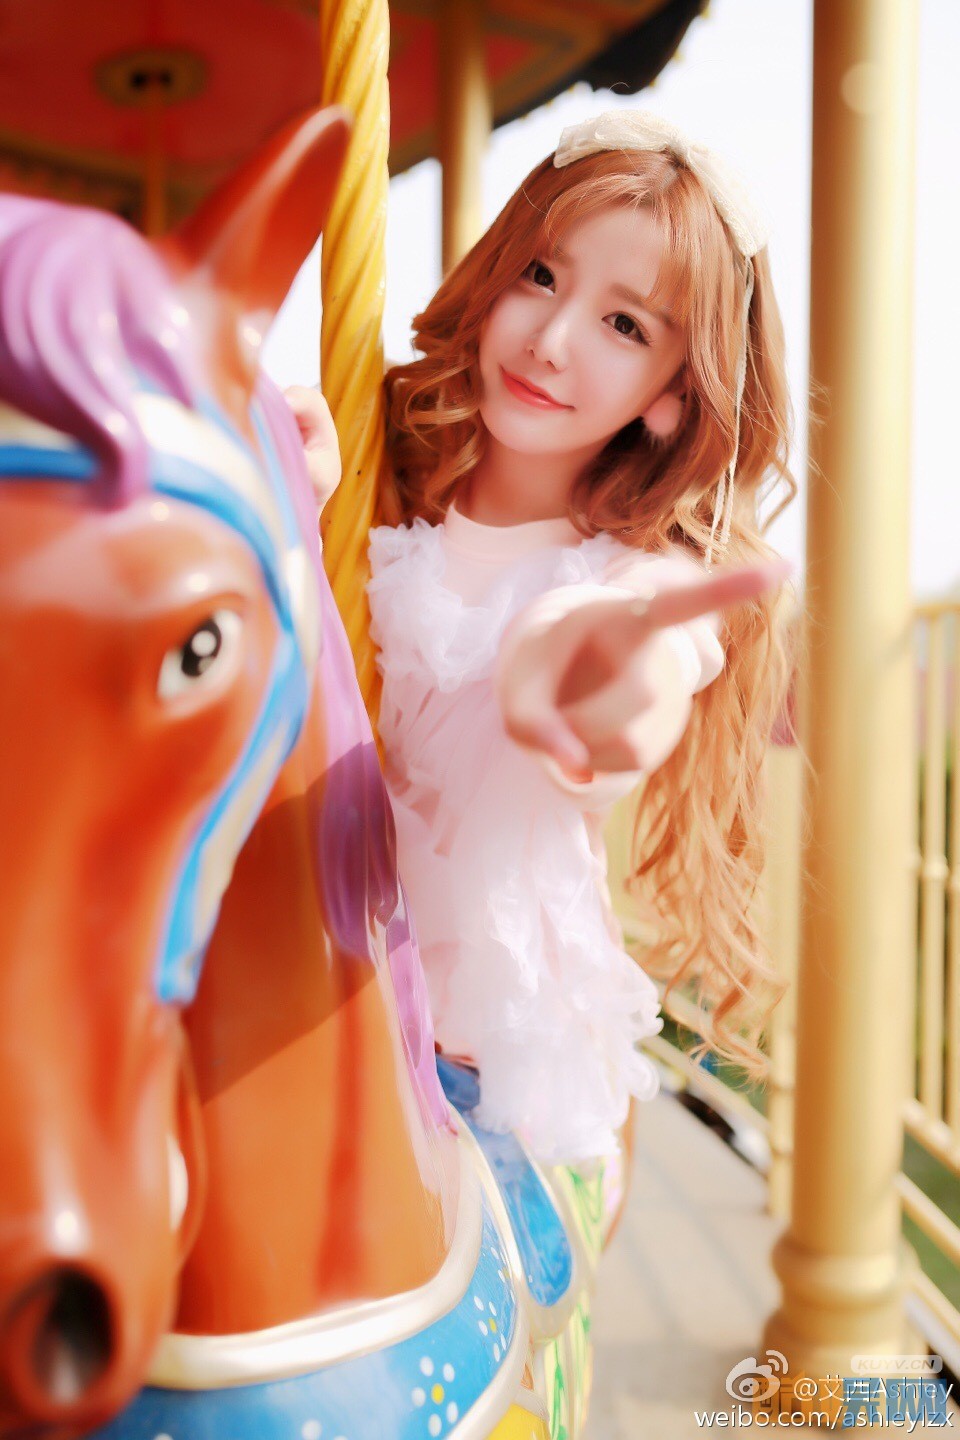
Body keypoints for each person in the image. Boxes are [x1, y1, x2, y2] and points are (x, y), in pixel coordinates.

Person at [287, 110, 795, 1166]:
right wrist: (292, 498)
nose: (552, 341)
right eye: (541, 276)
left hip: (480, 1053)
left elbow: (626, 666)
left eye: (625, 326)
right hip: (302, 978)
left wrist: (586, 688)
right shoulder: (378, 472)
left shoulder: (642, 582)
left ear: (674, 394)